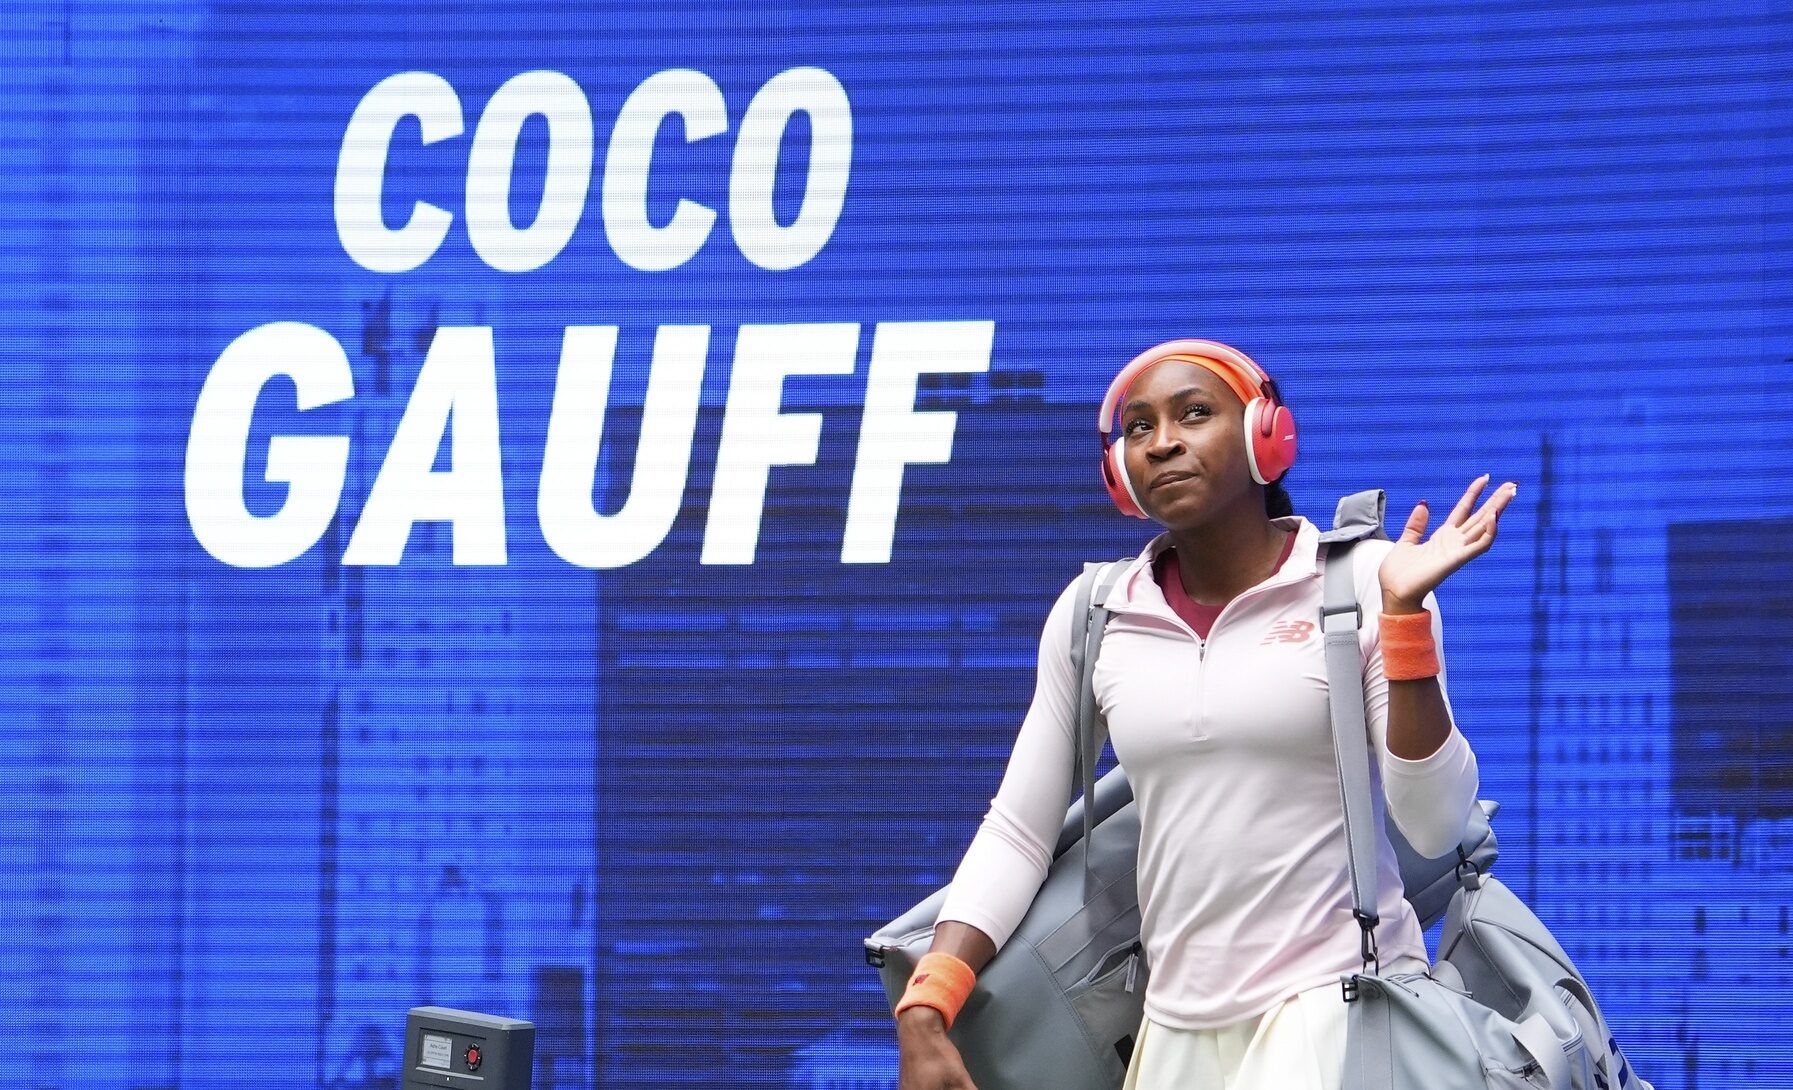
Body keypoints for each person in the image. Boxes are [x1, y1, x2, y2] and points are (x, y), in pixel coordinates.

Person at [892, 339, 1519, 1090]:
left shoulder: (1362, 580)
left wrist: (1404, 619)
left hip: (1336, 1009)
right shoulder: (1093, 612)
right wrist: (927, 1000)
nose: (1163, 442)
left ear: (1266, 437)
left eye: (1194, 413)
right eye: (1138, 428)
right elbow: (1018, 831)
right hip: (1171, 1031)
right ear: (1119, 470)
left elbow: (1431, 824)